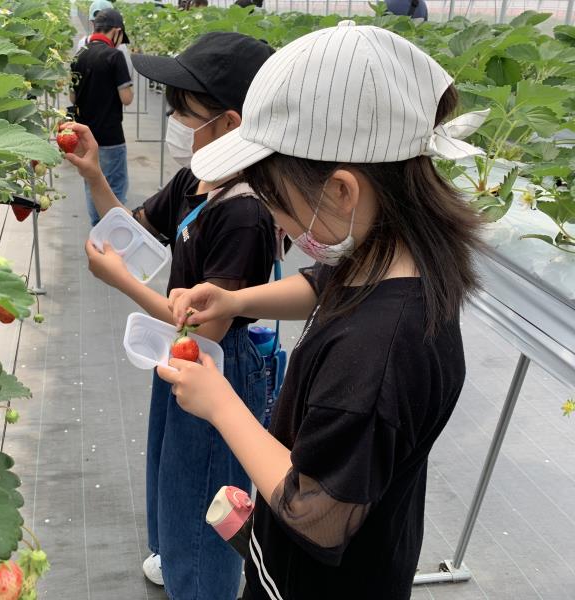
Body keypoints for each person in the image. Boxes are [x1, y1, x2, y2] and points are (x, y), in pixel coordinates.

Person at [159, 21, 487, 600]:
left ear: (340, 190)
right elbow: (322, 283)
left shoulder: (376, 355)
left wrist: (222, 405)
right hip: (372, 558)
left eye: (275, 200)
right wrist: (237, 298)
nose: (276, 220)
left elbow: (317, 513)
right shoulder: (394, 258)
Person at [63, 32, 276, 600]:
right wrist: (93, 176)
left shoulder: (245, 212)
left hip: (218, 363)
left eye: (186, 109)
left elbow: (205, 326)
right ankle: (177, 560)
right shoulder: (198, 177)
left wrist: (125, 284)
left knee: (205, 487)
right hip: (180, 356)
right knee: (171, 471)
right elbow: (136, 232)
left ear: (229, 122)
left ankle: (203, 583)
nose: (175, 116)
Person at [70, 8, 134, 226]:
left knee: (92, 184)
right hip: (110, 135)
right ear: (116, 31)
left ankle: (97, 232)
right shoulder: (114, 56)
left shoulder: (79, 54)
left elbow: (72, 96)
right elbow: (126, 98)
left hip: (85, 137)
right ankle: (112, 238)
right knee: (114, 190)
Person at [77, 0, 134, 79]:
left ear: (91, 21)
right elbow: (128, 73)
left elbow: (76, 74)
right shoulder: (119, 45)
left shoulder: (83, 42)